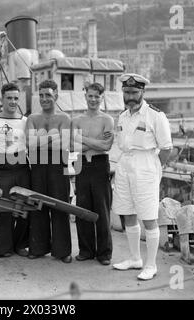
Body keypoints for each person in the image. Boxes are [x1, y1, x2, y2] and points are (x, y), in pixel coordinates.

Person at [112, 73, 173, 280]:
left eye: (134, 92)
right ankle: (135, 258)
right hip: (125, 164)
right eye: (126, 92)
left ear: (142, 92)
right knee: (128, 213)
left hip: (146, 165)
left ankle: (151, 264)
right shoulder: (122, 116)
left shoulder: (155, 116)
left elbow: (166, 148)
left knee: (148, 217)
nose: (130, 96)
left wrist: (153, 169)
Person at [25, 79, 72, 263]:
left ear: (56, 96)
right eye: (42, 95)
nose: (44, 99)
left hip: (58, 167)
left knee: (60, 207)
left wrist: (40, 139)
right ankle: (38, 248)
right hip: (37, 167)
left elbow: (65, 144)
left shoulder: (64, 118)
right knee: (38, 206)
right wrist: (55, 137)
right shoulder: (32, 118)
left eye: (48, 95)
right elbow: (29, 143)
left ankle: (63, 251)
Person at [0, 82, 30, 258]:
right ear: (2, 99)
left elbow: (34, 145)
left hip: (22, 167)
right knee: (3, 209)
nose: (12, 101)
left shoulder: (25, 121)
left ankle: (20, 245)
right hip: (2, 168)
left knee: (25, 207)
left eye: (16, 98)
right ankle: (4, 247)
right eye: (9, 98)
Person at [71, 82, 114, 265]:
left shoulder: (107, 120)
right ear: (85, 96)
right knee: (83, 209)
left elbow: (107, 146)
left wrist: (83, 139)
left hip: (99, 166)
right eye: (90, 96)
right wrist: (94, 143)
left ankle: (104, 253)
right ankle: (86, 250)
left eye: (97, 96)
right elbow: (73, 146)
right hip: (81, 165)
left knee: (102, 211)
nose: (93, 100)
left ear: (102, 98)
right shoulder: (77, 120)